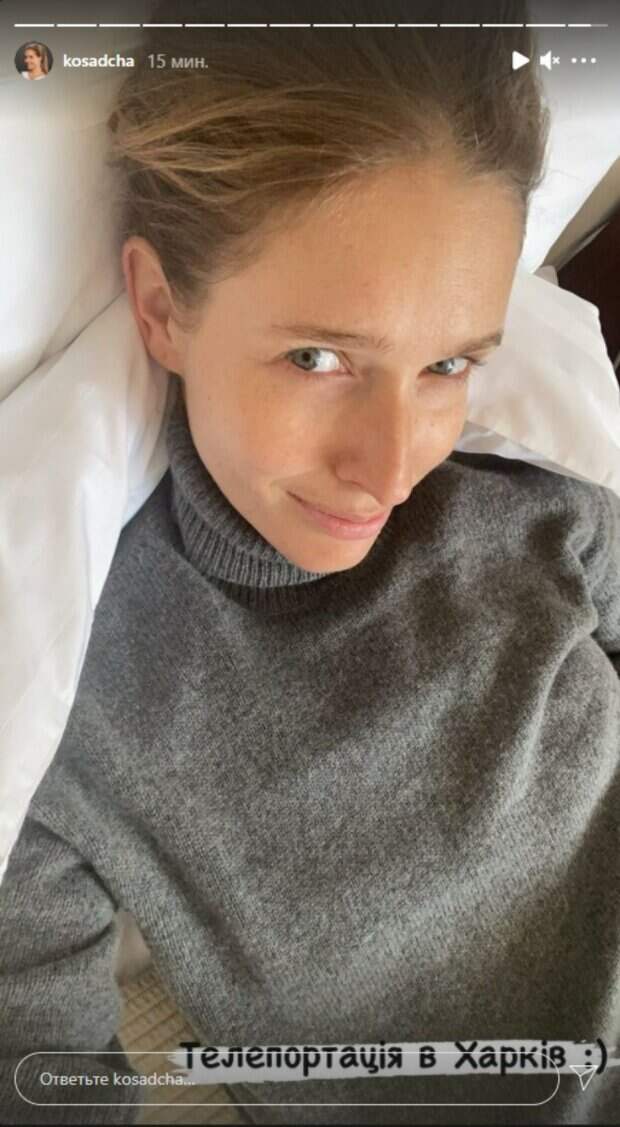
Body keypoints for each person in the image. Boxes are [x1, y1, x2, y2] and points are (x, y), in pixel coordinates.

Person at [1, 2, 619, 1124]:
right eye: (320, 358)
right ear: (161, 309)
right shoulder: (67, 699)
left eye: (447, 364)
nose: (392, 466)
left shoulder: (539, 499)